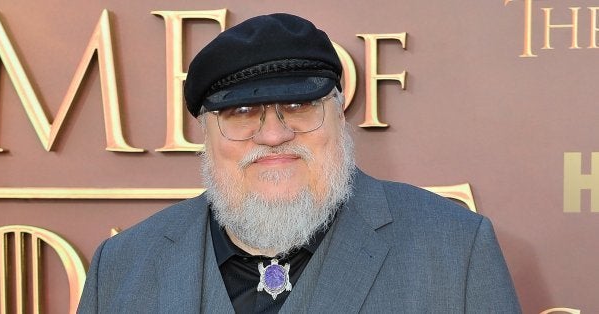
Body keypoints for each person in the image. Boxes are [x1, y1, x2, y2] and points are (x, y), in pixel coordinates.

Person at [77, 13, 521, 313]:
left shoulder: (456, 250)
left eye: (299, 104)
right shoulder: (122, 266)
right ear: (204, 133)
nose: (273, 134)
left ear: (339, 113)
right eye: (243, 112)